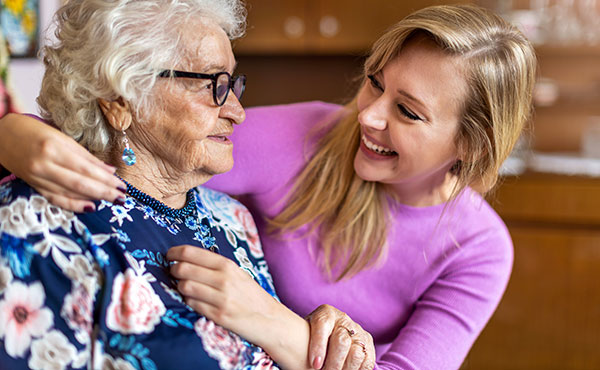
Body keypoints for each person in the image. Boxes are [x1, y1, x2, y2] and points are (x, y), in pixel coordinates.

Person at [0, 4, 537, 370]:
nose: (368, 115)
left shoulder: (479, 248)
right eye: (375, 81)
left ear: (470, 146)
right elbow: (127, 136)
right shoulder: (305, 137)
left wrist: (273, 321)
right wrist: (11, 133)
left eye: (408, 111)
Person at [0, 1, 378, 369]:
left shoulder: (232, 218)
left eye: (233, 84)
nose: (237, 111)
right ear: (120, 101)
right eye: (213, 84)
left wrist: (325, 344)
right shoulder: (37, 225)